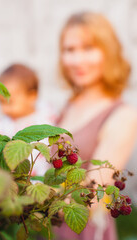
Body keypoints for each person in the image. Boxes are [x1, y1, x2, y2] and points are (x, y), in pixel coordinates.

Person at [53, 12, 137, 240]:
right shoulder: (66, 107)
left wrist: (15, 195)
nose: (77, 60)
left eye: (89, 48)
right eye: (70, 50)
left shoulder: (122, 115)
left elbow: (89, 198)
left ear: (108, 53)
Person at [0, 63, 56, 176]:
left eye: (9, 102)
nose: (4, 108)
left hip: (45, 177)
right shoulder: (1, 126)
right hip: (17, 180)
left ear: (32, 96)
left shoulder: (46, 114)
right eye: (0, 102)